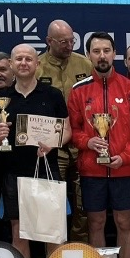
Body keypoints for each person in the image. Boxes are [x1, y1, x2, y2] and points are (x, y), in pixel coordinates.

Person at [69, 32, 130, 258]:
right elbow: (72, 130)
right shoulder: (79, 90)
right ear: (88, 55)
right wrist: (87, 141)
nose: (102, 56)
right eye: (96, 51)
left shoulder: (129, 88)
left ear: (114, 54)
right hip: (91, 171)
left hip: (122, 170)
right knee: (96, 223)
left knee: (125, 222)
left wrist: (125, 157)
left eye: (106, 50)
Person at [0, 44, 70, 258]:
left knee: (53, 233)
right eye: (19, 59)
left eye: (28, 58)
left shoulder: (53, 95)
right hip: (14, 172)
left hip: (46, 170)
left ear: (38, 64)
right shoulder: (1, 99)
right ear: (11, 64)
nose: (23, 63)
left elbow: (67, 131)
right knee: (18, 232)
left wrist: (53, 144)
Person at [37, 20, 94, 243]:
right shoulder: (37, 67)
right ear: (49, 41)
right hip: (52, 148)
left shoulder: (85, 64)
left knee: (84, 204)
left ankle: (79, 249)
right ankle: (56, 252)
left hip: (81, 145)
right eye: (63, 42)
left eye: (72, 41)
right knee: (54, 204)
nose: (69, 46)